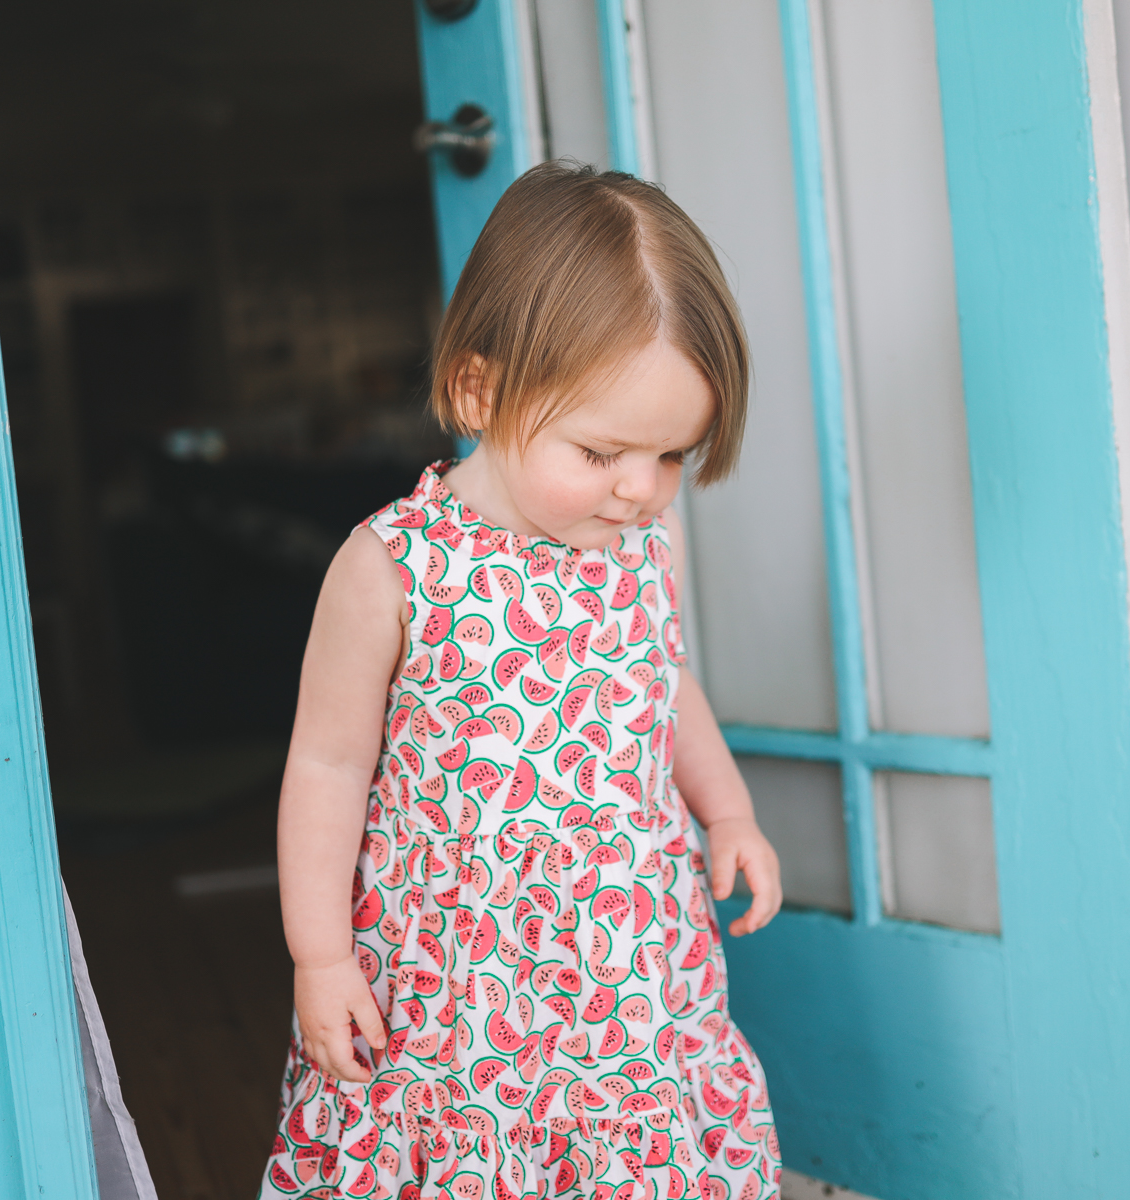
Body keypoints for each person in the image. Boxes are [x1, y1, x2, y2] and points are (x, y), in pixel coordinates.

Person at [261, 161, 783, 1200]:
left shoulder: (642, 548)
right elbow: (326, 766)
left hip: (633, 978)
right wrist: (320, 958)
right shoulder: (394, 568)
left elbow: (661, 685)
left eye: (673, 454)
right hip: (455, 997)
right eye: (601, 451)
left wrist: (728, 812)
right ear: (479, 390)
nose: (641, 488)